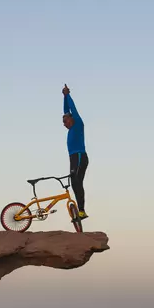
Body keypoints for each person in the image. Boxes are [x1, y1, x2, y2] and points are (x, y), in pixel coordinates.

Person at [62, 83, 89, 220]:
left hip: (79, 156)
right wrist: (63, 97)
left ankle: (82, 210)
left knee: (76, 181)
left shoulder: (78, 123)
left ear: (72, 119)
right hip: (74, 158)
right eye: (63, 123)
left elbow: (72, 109)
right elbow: (66, 110)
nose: (64, 124)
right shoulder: (72, 128)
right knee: (75, 183)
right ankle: (81, 211)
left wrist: (68, 95)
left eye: (66, 121)